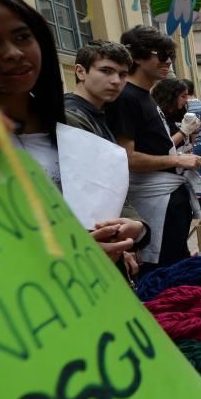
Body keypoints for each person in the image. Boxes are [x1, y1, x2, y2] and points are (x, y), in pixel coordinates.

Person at [0, 0, 146, 268]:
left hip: (98, 294)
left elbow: (112, 194)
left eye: (22, 37)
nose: (13, 52)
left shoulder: (73, 123)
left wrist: (136, 229)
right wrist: (68, 250)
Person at [106, 25, 201, 276]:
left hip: (169, 194)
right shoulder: (126, 97)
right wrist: (177, 160)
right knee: (163, 270)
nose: (168, 61)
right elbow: (126, 157)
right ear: (137, 57)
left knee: (176, 263)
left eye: (169, 54)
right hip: (155, 200)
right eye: (160, 54)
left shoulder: (144, 95)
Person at [63, 39, 151, 278]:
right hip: (87, 248)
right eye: (106, 71)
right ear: (80, 71)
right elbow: (88, 194)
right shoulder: (71, 118)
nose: (116, 81)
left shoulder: (97, 114)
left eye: (122, 74)